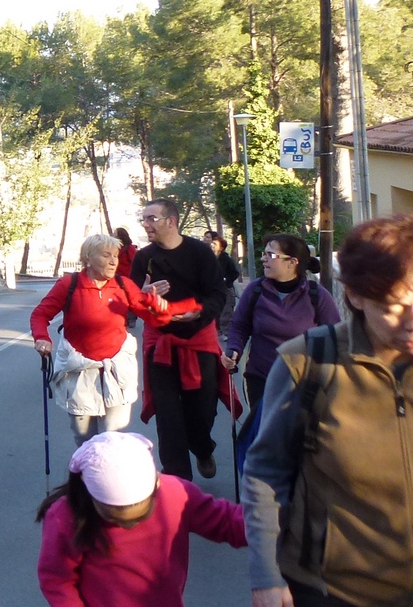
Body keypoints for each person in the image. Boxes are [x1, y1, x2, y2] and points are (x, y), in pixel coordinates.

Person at [243, 215, 413, 607]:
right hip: (336, 593)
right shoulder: (308, 361)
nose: (410, 320)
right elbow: (266, 472)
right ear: (355, 296)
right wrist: (266, 576)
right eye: (393, 306)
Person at [38, 432, 246, 607]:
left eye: (140, 515)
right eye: (114, 517)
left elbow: (227, 522)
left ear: (156, 482)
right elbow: (58, 584)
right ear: (88, 493)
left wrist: (274, 519)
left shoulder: (176, 494)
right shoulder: (66, 516)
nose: (129, 525)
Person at [130, 198, 239, 481]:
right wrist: (144, 293)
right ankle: (178, 482)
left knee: (201, 412)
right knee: (168, 417)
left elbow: (218, 294)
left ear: (171, 221)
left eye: (152, 218)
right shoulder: (143, 258)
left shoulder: (200, 253)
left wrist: (198, 313)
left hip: (198, 339)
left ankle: (202, 449)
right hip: (161, 343)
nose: (146, 224)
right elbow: (132, 299)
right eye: (144, 219)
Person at [222, 233, 339, 474]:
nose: (263, 259)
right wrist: (233, 350)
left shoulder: (317, 296)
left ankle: (300, 487)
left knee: (298, 442)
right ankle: (265, 487)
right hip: (261, 378)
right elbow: (239, 326)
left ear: (292, 262)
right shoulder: (255, 290)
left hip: (303, 384)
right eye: (263, 253)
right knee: (267, 438)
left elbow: (335, 336)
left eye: (270, 254)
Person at [32, 234, 165, 445]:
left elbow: (150, 318)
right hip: (79, 371)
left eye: (115, 256)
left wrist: (152, 302)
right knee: (85, 440)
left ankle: (108, 467)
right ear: (88, 258)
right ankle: (88, 467)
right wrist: (42, 338)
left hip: (117, 370)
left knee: (114, 439)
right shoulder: (69, 284)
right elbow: (40, 314)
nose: (113, 261)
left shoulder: (123, 285)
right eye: (106, 255)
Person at [202, 232, 242, 337]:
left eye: (215, 244)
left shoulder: (226, 259)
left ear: (221, 248)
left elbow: (234, 273)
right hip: (211, 289)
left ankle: (227, 332)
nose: (212, 245)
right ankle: (216, 330)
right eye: (212, 243)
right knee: (213, 309)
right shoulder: (207, 257)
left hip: (226, 289)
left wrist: (226, 280)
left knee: (226, 311)